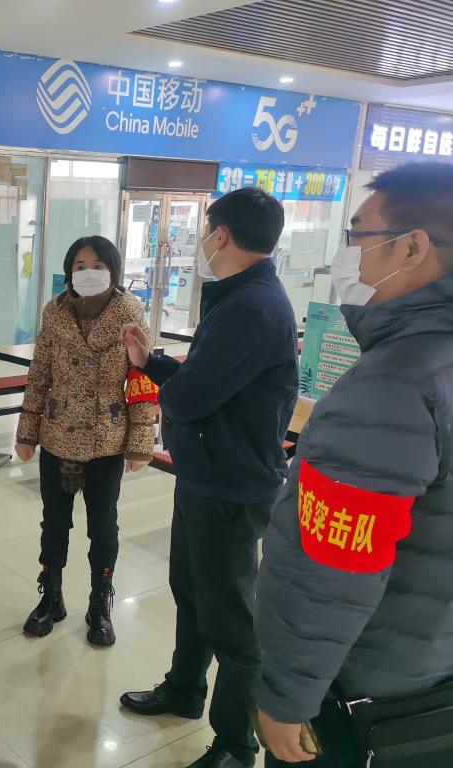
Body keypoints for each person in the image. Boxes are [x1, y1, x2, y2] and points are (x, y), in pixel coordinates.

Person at [254, 163, 453, 768]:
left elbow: (335, 565)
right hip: (432, 668)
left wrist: (287, 695)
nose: (346, 255)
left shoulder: (393, 385)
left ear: (412, 247)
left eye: (357, 234)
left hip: (367, 693)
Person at [118, 187, 298, 768]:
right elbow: (209, 380)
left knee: (231, 622)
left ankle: (235, 744)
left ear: (221, 236)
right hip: (208, 474)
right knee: (193, 593)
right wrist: (154, 363)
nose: (201, 243)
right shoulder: (241, 297)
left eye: (205, 232)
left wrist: (165, 387)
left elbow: (192, 397)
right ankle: (185, 688)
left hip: (231, 485)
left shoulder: (252, 308)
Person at [15, 236, 157, 647]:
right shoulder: (54, 311)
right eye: (79, 266)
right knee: (54, 523)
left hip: (106, 439)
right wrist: (26, 432)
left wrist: (140, 442)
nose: (88, 272)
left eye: (97, 265)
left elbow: (142, 379)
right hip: (57, 434)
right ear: (69, 272)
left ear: (113, 270)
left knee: (103, 526)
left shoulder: (130, 312)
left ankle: (100, 604)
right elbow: (39, 374)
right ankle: (51, 596)